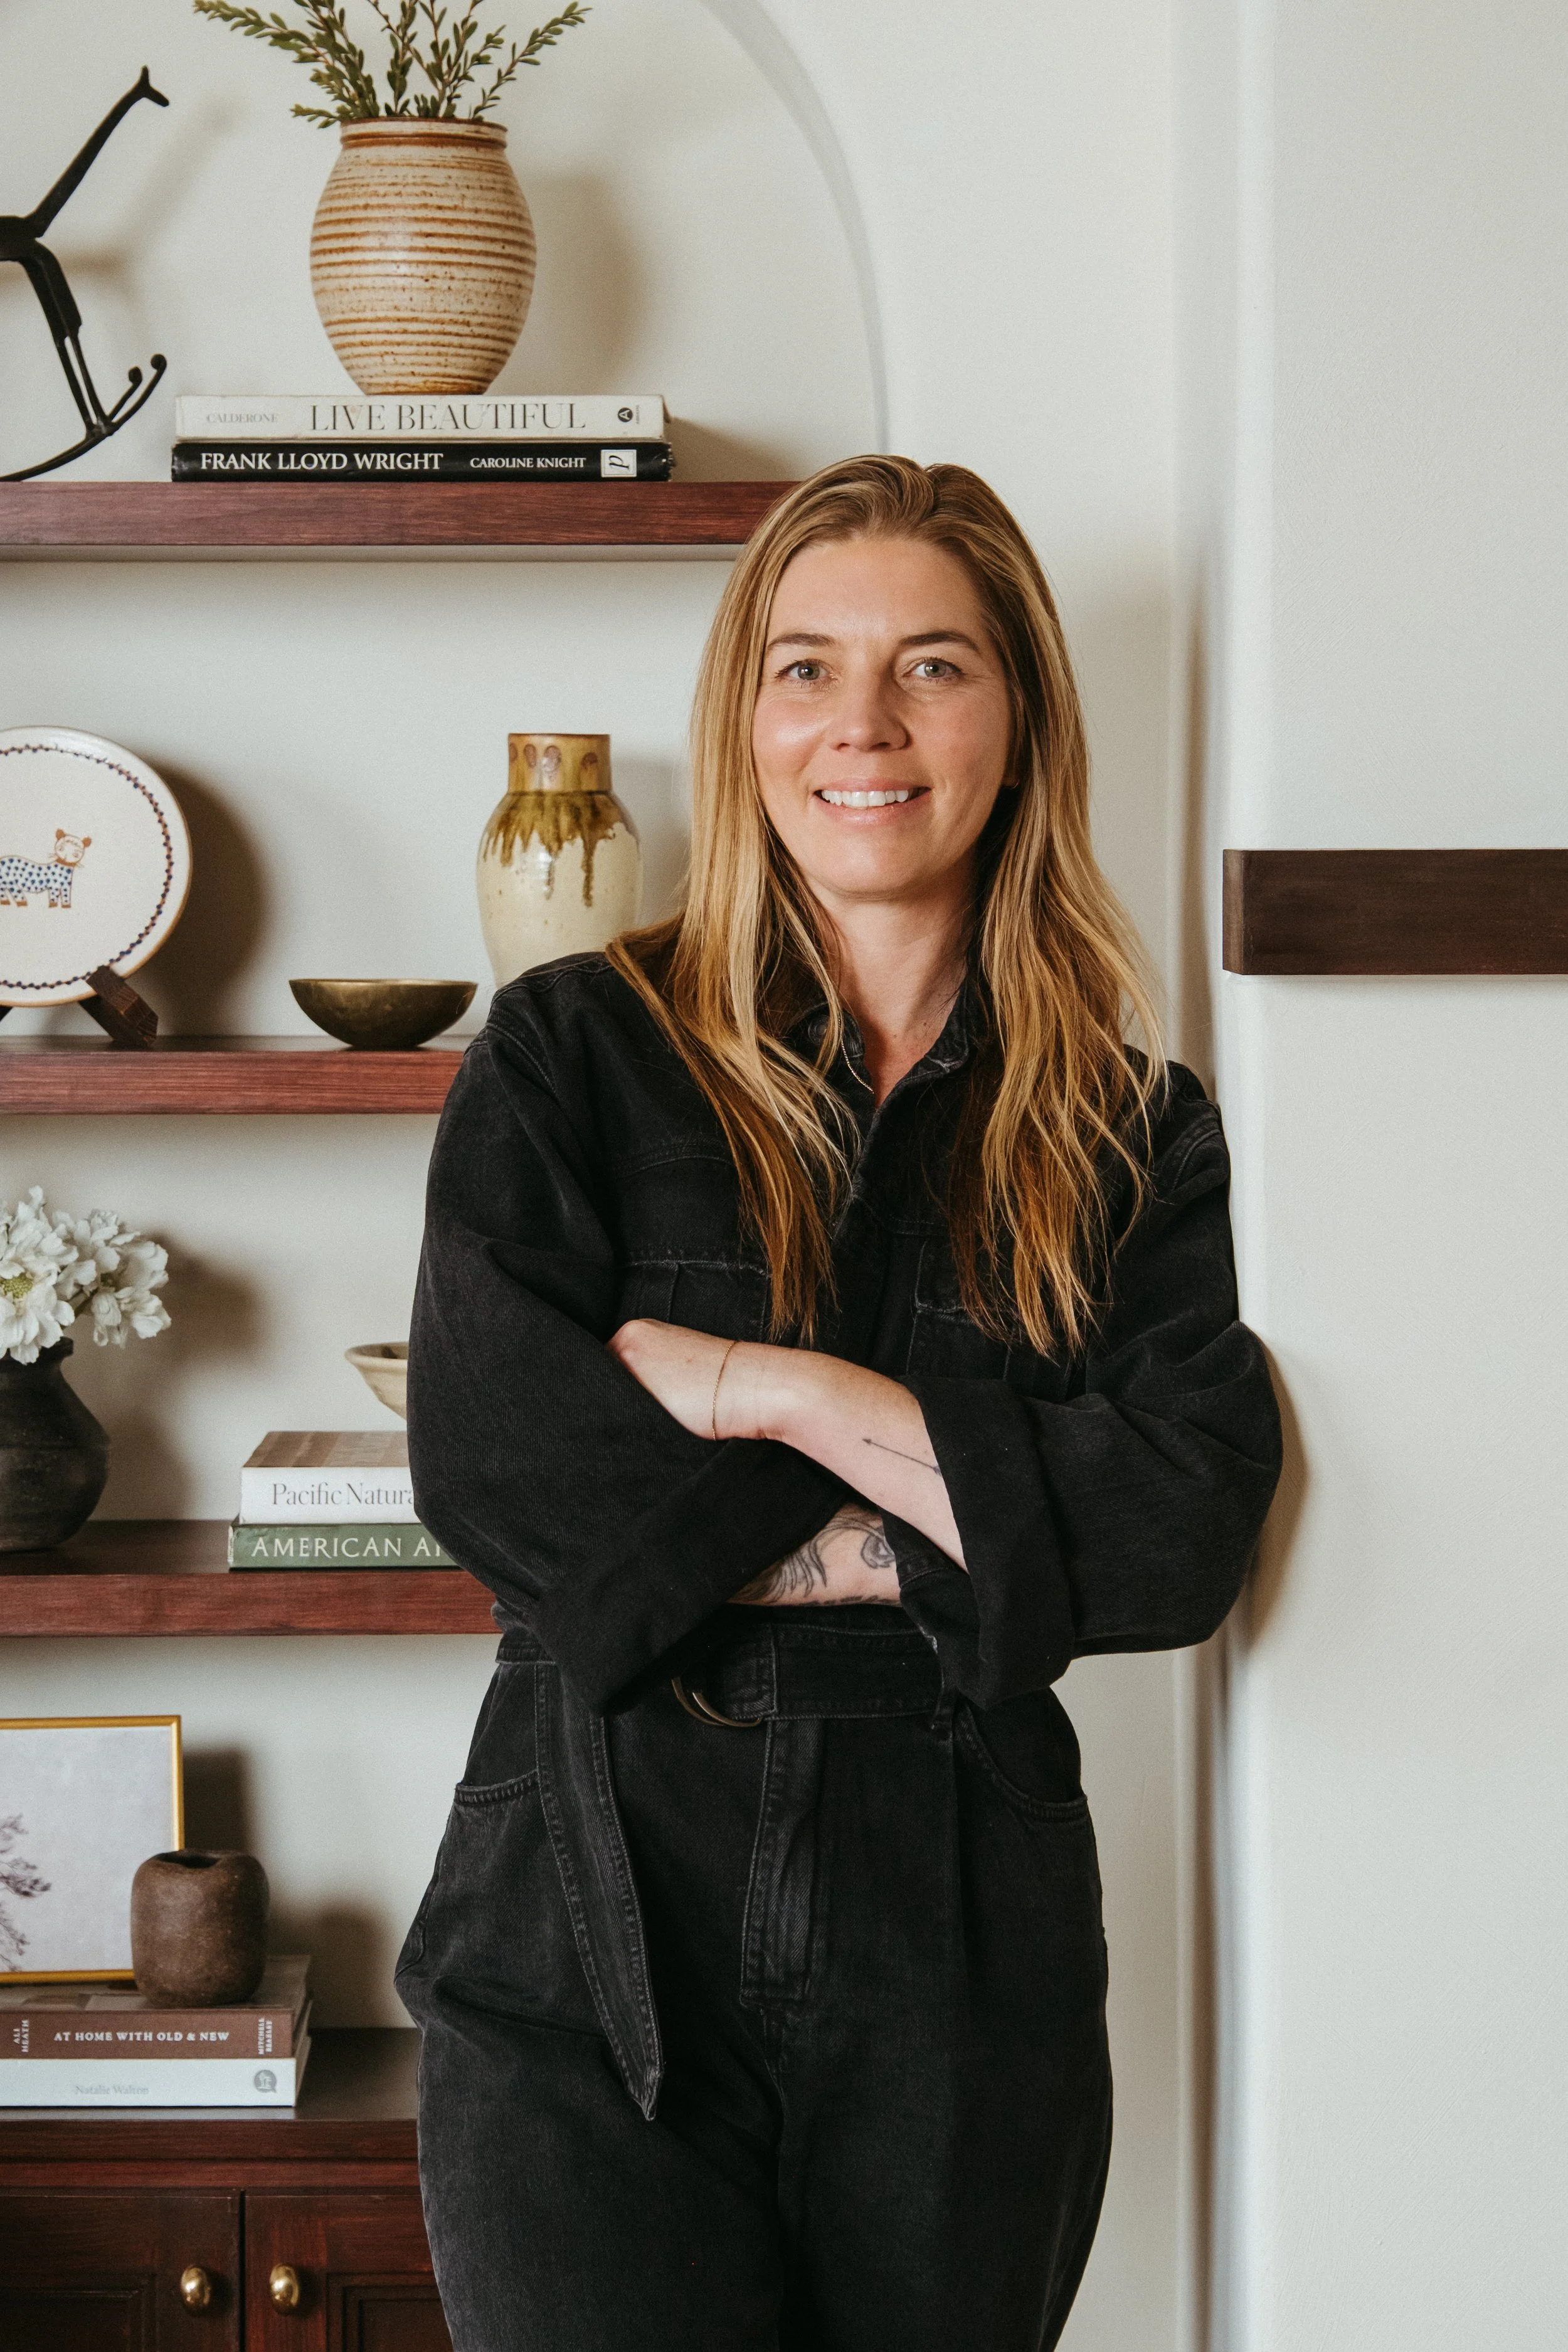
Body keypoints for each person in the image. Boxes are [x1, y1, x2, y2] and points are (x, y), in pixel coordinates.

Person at [399, 455, 1281, 2352]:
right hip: (584, 1896)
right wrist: (973, 1512)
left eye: (932, 666)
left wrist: (752, 1385)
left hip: (963, 1928)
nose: (859, 725)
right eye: (803, 667)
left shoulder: (1132, 1134)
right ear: (742, 717)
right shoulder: (571, 1054)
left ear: (1021, 712)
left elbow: (1178, 1526)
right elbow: (504, 1468)